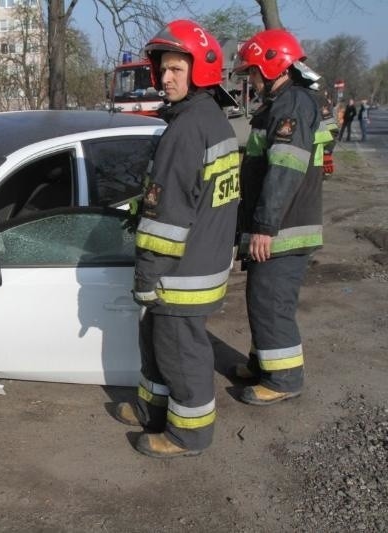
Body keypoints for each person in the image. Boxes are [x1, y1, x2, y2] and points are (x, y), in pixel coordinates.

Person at [114, 19, 240, 458]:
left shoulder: (185, 131)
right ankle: (154, 409)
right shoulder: (211, 121)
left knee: (182, 356)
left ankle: (188, 434)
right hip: (201, 262)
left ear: (199, 70)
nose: (165, 78)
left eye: (175, 70)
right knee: (159, 345)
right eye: (163, 69)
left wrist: (147, 275)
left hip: (181, 273)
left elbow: (166, 218)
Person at [233, 29, 326, 406]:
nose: (251, 80)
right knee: (262, 297)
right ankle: (265, 364)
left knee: (271, 301)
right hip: (279, 228)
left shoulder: (291, 106)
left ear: (272, 67)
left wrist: (264, 227)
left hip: (282, 230)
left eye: (253, 72)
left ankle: (285, 378)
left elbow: (284, 171)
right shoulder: (284, 103)